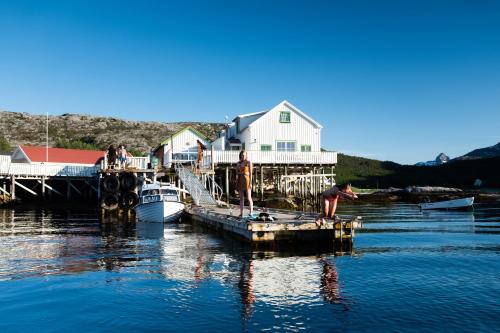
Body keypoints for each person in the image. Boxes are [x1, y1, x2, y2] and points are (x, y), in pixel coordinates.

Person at [236, 150, 253, 218]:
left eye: (244, 155)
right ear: (240, 155)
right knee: (241, 198)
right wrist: (236, 182)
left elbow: (251, 173)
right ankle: (241, 213)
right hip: (240, 180)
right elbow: (237, 173)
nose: (243, 156)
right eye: (242, 155)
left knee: (249, 197)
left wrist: (251, 183)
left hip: (247, 180)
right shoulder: (238, 163)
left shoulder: (249, 162)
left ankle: (251, 212)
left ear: (246, 155)